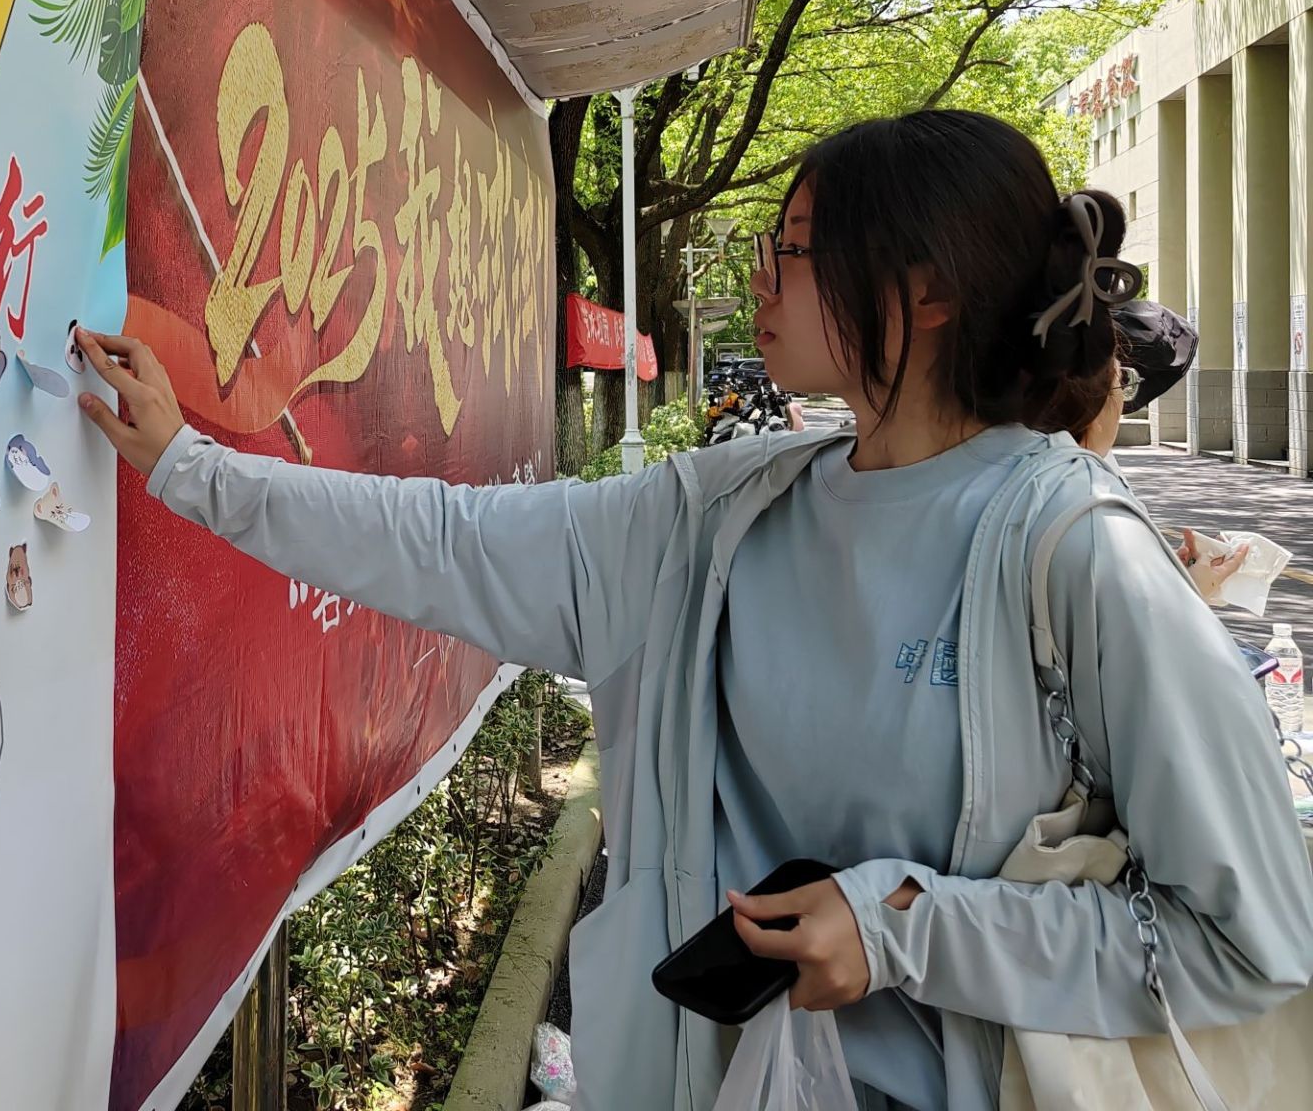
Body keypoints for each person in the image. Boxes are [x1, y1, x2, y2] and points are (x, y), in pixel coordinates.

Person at [75, 109, 1313, 1111]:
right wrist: (189, 465)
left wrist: (906, 929)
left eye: (794, 248)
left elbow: (1249, 938)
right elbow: (447, 542)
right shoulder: (717, 514)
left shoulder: (1073, 556)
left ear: (925, 290)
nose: (757, 277)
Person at [1051, 301, 1251, 602]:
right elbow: (1124, 613)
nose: (1126, 402)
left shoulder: (1065, 476)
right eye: (1123, 382)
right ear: (1091, 397)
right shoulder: (1088, 499)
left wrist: (1168, 572)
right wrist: (1191, 590)